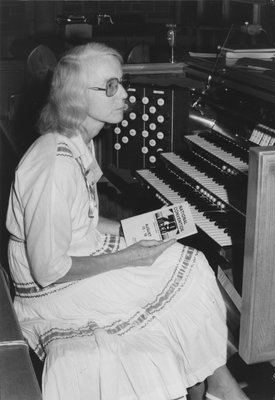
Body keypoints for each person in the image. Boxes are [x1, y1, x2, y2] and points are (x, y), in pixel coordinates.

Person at [6, 42, 249, 400]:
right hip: (47, 290)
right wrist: (131, 255)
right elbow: (48, 269)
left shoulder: (78, 140)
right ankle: (217, 387)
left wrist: (127, 230)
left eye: (121, 82)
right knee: (190, 266)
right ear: (76, 96)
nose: (125, 94)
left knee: (185, 260)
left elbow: (83, 218)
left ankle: (213, 383)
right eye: (110, 86)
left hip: (74, 252)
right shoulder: (54, 165)